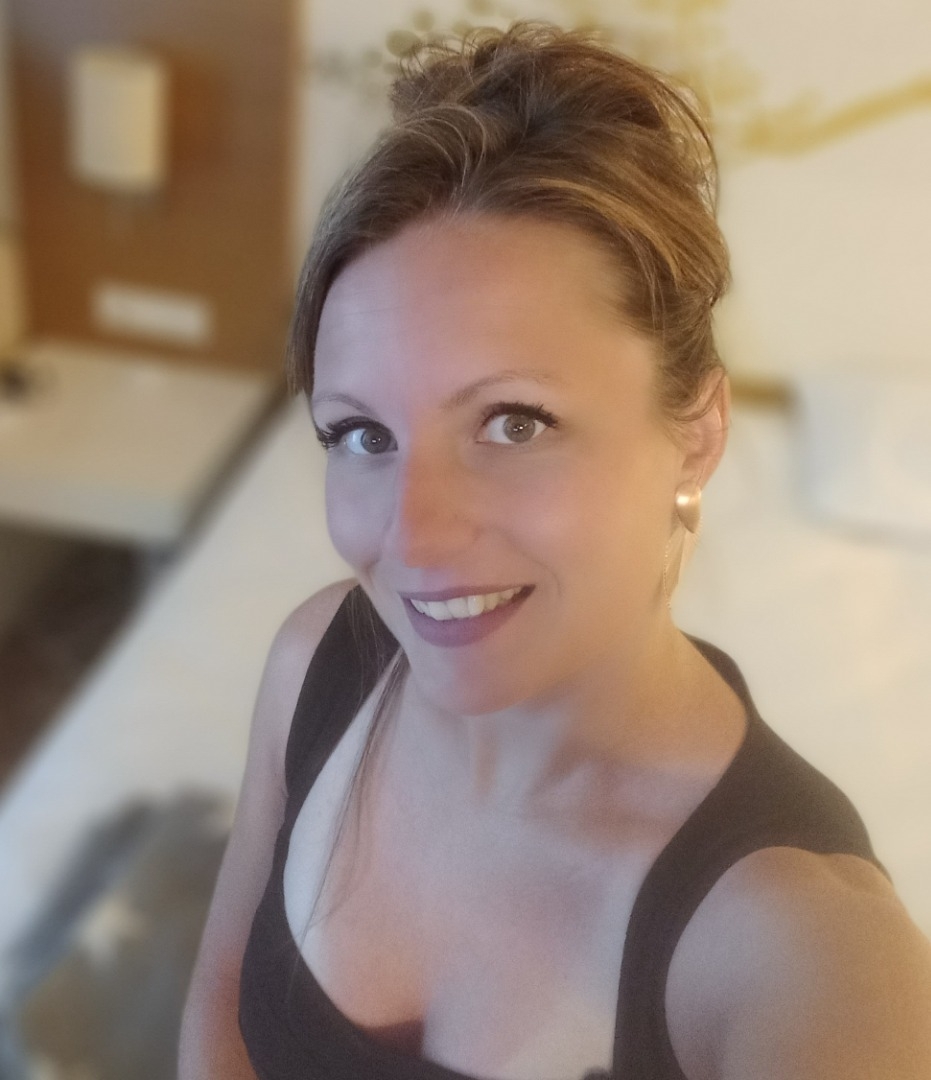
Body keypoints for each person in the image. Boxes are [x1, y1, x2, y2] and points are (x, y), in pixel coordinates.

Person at [179, 22, 931, 1080]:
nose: (412, 537)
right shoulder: (316, 662)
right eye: (362, 434)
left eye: (514, 422)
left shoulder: (804, 950)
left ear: (696, 434)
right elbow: (221, 1000)